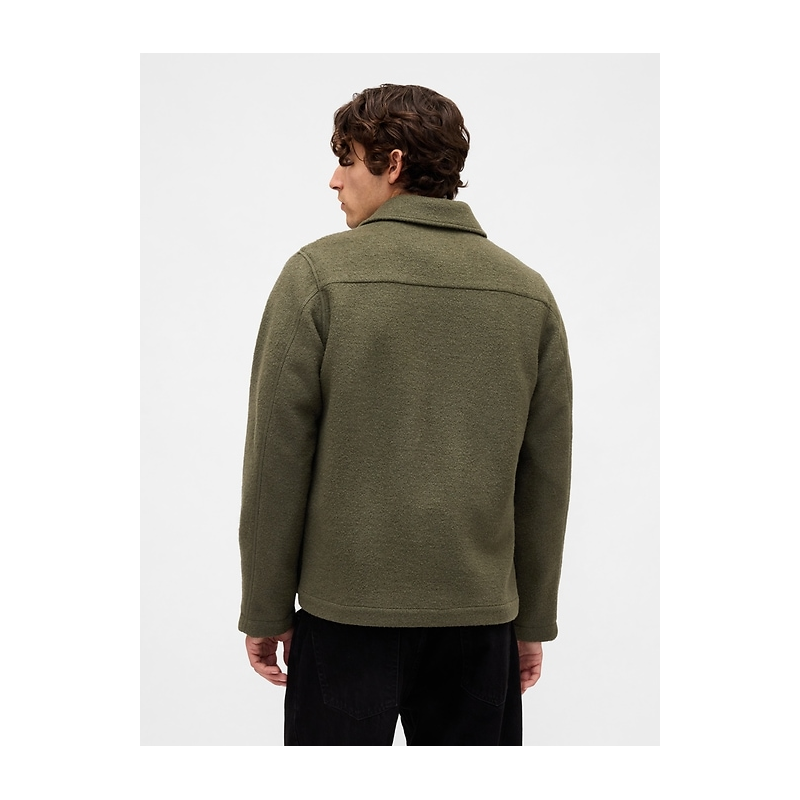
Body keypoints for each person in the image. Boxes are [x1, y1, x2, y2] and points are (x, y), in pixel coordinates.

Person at [238, 83, 573, 746]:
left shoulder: (318, 276)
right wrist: (531, 618)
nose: (334, 179)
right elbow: (545, 475)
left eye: (348, 160)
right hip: (480, 621)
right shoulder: (527, 293)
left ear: (392, 163)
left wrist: (266, 606)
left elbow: (276, 458)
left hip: (345, 618)